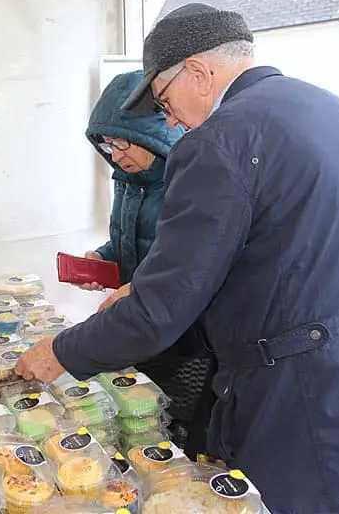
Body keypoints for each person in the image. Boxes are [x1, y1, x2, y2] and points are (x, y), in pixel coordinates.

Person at [16, 3, 339, 514]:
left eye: (164, 99)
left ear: (198, 73)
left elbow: (159, 315)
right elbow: (294, 251)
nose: (171, 119)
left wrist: (60, 353)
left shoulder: (220, 140)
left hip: (314, 411)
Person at [79, 70, 216, 456]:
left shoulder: (188, 182)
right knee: (139, 421)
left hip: (186, 342)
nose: (116, 155)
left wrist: (138, 290)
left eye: (123, 143)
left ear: (153, 135)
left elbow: (191, 265)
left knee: (175, 427)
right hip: (140, 327)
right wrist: (105, 259)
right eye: (107, 145)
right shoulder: (127, 177)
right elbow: (138, 240)